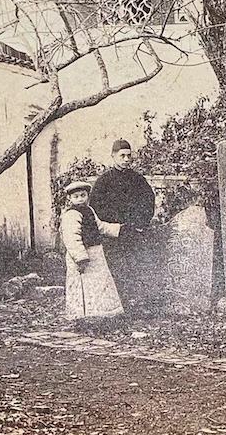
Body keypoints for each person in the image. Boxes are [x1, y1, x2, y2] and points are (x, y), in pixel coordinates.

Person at [89, 139, 156, 314]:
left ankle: (138, 306)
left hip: (134, 232)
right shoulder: (103, 181)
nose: (126, 159)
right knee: (117, 269)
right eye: (122, 156)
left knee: (136, 267)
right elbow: (95, 208)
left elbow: (149, 201)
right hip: (113, 235)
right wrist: (112, 226)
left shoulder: (138, 179)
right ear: (113, 156)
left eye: (128, 156)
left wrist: (140, 223)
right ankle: (120, 307)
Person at [60, 181, 123, 324]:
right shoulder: (71, 215)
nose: (80, 199)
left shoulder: (89, 210)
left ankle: (100, 314)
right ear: (70, 198)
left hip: (95, 253)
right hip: (81, 256)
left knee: (100, 283)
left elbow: (100, 226)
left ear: (87, 196)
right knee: (84, 284)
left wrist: (119, 229)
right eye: (76, 196)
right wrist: (81, 258)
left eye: (83, 195)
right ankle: (83, 316)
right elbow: (72, 238)